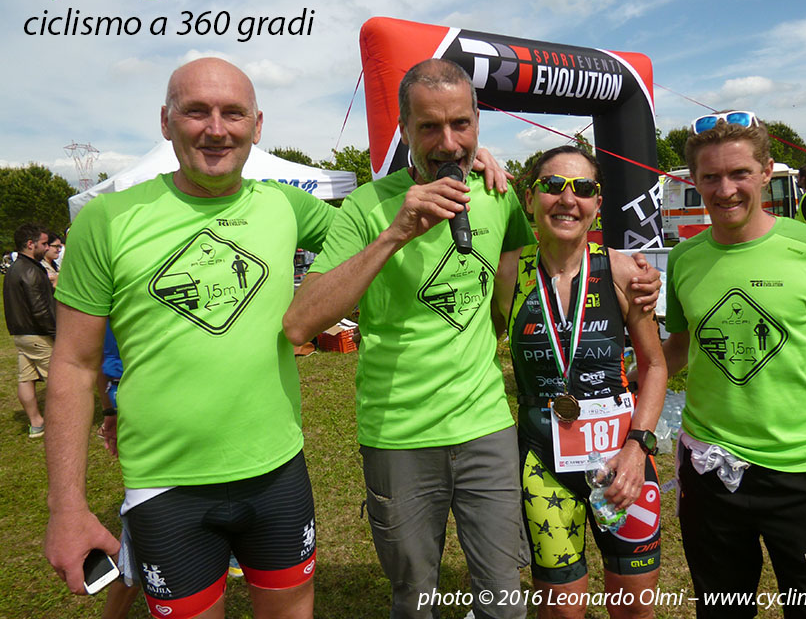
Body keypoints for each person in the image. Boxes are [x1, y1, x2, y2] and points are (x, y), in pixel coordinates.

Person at [43, 57, 336, 619]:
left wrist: (454, 161)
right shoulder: (106, 220)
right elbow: (74, 365)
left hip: (278, 472)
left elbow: (375, 220)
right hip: (166, 488)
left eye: (234, 113)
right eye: (196, 111)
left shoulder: (287, 205)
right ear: (165, 121)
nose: (216, 129)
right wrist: (66, 508)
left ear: (257, 125)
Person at [283, 58, 535, 619]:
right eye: (429, 127)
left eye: (461, 124)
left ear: (477, 123)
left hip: (486, 427)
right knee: (415, 599)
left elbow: (509, 297)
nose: (448, 143)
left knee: (504, 599)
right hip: (398, 435)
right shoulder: (367, 207)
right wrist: (394, 233)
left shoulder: (499, 196)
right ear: (403, 129)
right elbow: (301, 323)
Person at [662, 110, 806, 618]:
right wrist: (627, 372)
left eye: (739, 173)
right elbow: (678, 347)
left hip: (800, 470)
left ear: (766, 172)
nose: (725, 190)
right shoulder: (684, 258)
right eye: (711, 177)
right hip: (710, 471)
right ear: (694, 180)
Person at [493, 146, 667, 619]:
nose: (568, 199)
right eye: (553, 186)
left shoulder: (624, 272)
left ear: (597, 203)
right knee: (562, 611)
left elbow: (654, 366)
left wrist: (639, 448)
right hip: (543, 464)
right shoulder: (507, 272)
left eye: (583, 188)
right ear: (530, 198)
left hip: (622, 461)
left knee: (633, 608)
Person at [2, 223, 54, 438]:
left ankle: (36, 424)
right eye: (44, 243)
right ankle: (64, 422)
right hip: (37, 334)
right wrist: (56, 333)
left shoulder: (14, 269)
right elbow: (40, 310)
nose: (47, 247)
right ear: (30, 244)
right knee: (59, 380)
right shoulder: (31, 270)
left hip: (21, 335)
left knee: (26, 379)